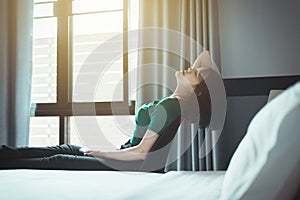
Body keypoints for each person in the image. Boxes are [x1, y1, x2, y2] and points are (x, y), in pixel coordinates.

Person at [0, 51, 212, 171]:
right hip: (126, 157)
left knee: (59, 159)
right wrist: (203, 78)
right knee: (66, 147)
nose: (191, 68)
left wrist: (101, 153)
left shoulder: (171, 105)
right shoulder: (172, 102)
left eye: (196, 74)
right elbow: (204, 56)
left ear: (196, 90)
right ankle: (4, 154)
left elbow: (142, 153)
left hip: (132, 166)